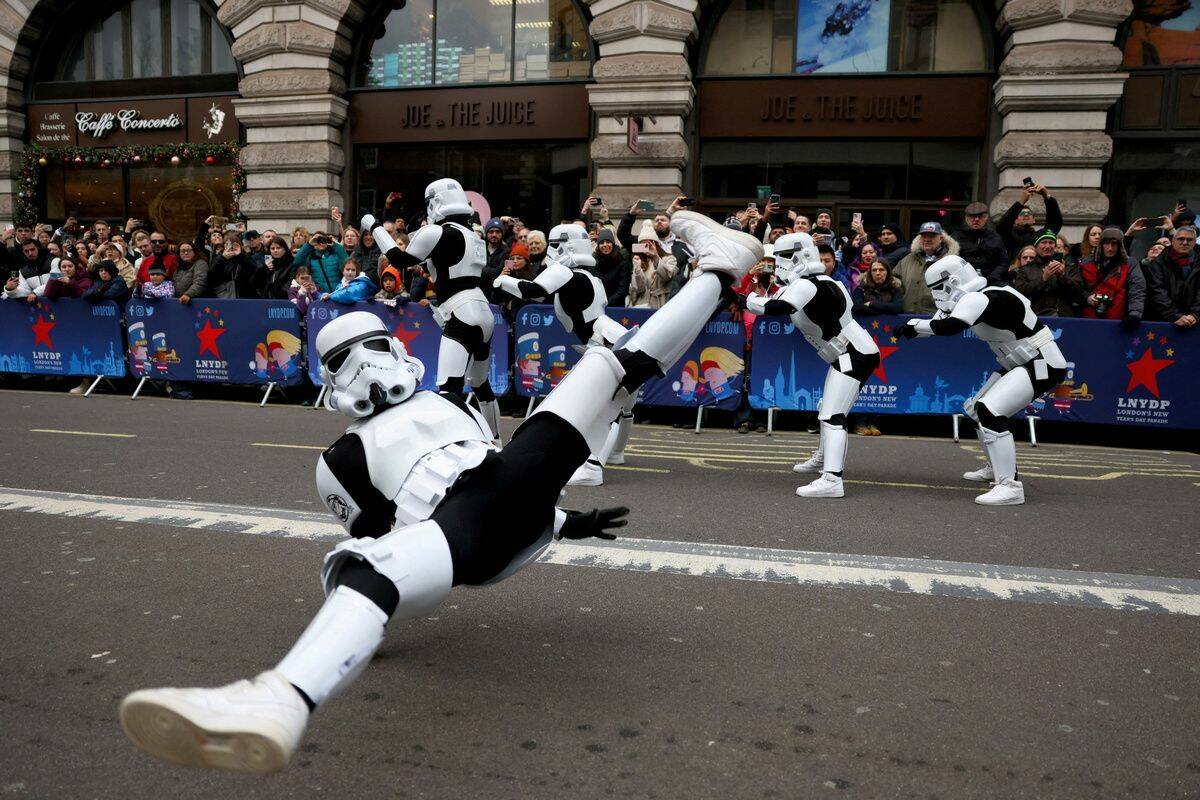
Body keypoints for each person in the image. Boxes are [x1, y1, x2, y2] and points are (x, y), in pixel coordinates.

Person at [117, 207, 763, 775]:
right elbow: (380, 541)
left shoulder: (446, 403)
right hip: (458, 534)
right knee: (360, 568)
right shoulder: (341, 458)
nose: (365, 361)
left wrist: (561, 522)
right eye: (346, 357)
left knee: (610, 366)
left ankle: (716, 273)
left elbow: (492, 472)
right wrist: (375, 612)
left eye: (373, 344)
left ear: (396, 348)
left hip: (509, 498)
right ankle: (284, 694)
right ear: (331, 380)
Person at [897, 255, 1067, 506]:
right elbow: (939, 323)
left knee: (991, 411)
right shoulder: (978, 297)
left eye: (939, 289)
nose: (937, 296)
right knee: (976, 410)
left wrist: (915, 326)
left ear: (953, 281)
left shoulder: (983, 297)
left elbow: (949, 327)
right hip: (1019, 363)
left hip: (1042, 362)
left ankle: (1010, 485)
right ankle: (996, 467)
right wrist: (914, 329)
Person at [494, 223, 638, 487]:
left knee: (605, 407)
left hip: (605, 344)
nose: (551, 251)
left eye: (555, 245)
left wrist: (502, 279)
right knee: (623, 403)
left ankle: (594, 467)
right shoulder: (588, 276)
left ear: (565, 246)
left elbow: (532, 291)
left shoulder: (568, 272)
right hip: (615, 339)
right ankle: (615, 453)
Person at [361, 179, 503, 440]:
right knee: (479, 383)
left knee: (449, 388)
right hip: (481, 310)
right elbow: (450, 267)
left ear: (436, 203)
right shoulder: (473, 235)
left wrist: (374, 226)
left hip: (461, 310)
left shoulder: (439, 232)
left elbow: (399, 258)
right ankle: (494, 439)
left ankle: (460, 442)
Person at [747, 232, 881, 499]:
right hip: (849, 353)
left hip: (852, 354)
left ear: (798, 257)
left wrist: (747, 299)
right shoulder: (822, 282)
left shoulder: (809, 284)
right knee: (827, 409)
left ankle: (832, 479)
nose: (779, 264)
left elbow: (778, 307)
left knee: (832, 416)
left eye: (783, 258)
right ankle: (823, 460)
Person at [1070, 226, 1145, 325]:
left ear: (1120, 245)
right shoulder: (1085, 262)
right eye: (1106, 243)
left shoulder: (1130, 264)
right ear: (1101, 244)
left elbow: (1137, 289)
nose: (1110, 248)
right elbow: (1075, 288)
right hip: (1087, 320)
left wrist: (1134, 314)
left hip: (1118, 321)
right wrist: (1087, 298)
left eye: (1114, 244)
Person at [893, 222, 959, 314]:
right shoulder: (908, 259)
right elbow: (893, 278)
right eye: (924, 236)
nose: (927, 239)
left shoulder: (952, 262)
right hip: (907, 316)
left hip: (937, 318)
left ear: (941, 238)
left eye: (932, 236)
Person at [1010, 230, 1080, 316]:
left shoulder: (1068, 267)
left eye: (1051, 243)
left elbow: (1079, 292)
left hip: (1063, 317)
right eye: (1043, 242)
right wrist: (1043, 278)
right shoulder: (1025, 270)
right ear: (1036, 246)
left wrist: (1062, 277)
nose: (1047, 246)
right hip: (1035, 317)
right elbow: (1018, 292)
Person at [1142, 226, 1198, 327]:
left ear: (1194, 242)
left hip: (1194, 322)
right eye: (1181, 239)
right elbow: (1157, 291)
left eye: (1189, 239)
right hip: (1163, 321)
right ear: (1173, 241)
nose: (1185, 242)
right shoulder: (1157, 263)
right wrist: (1175, 316)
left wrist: (1195, 315)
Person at [996, 183, 1062, 256]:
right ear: (1015, 220)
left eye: (1029, 213)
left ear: (1034, 220)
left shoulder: (1039, 236)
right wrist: (1021, 201)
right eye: (1022, 214)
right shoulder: (1009, 236)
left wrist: (1046, 196)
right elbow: (1002, 226)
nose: (1026, 215)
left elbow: (1055, 223)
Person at [951, 202, 1009, 285]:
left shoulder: (995, 237)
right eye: (972, 216)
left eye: (981, 216)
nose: (976, 219)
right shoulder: (955, 238)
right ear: (966, 218)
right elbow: (951, 262)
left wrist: (992, 277)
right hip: (964, 282)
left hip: (992, 281)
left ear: (986, 218)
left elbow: (1003, 261)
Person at [625, 222, 676, 308]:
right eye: (643, 244)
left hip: (660, 304)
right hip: (641, 305)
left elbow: (667, 276)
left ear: (656, 244)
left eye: (649, 244)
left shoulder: (669, 258)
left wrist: (655, 257)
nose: (646, 247)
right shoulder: (639, 261)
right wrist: (637, 269)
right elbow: (638, 289)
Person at [593, 229, 631, 308]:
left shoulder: (622, 262)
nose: (605, 245)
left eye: (608, 242)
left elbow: (623, 289)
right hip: (597, 306)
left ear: (613, 244)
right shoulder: (594, 263)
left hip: (616, 307)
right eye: (602, 242)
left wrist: (607, 303)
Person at [259, 236, 296, 300]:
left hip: (283, 301)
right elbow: (256, 283)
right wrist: (263, 269)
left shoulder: (291, 265)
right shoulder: (268, 265)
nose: (275, 250)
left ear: (284, 249)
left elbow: (289, 285)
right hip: (266, 301)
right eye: (272, 248)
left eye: (278, 248)